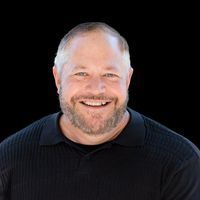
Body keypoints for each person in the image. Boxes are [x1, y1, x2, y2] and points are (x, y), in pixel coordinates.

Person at [0, 22, 199, 200]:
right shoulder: (8, 157)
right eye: (81, 73)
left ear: (128, 79)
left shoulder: (180, 162)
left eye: (110, 74)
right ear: (57, 79)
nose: (96, 88)